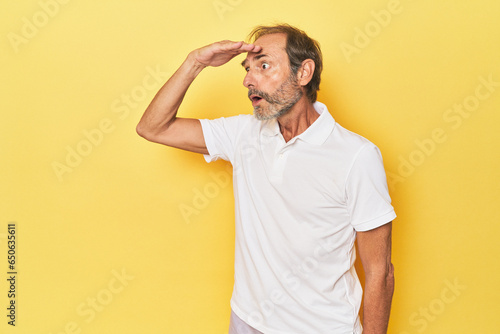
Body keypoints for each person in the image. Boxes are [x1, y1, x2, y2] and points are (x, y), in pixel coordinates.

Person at [137, 24, 396, 334]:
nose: (249, 80)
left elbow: (379, 272)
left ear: (304, 74)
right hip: (247, 320)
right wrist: (196, 62)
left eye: (264, 65)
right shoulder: (244, 134)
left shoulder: (357, 156)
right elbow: (153, 127)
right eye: (247, 69)